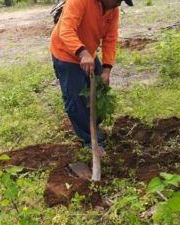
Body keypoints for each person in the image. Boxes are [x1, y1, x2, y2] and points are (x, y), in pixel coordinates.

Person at [50, 0, 133, 156]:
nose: (118, 4)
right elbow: (66, 30)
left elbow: (110, 38)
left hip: (88, 53)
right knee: (75, 100)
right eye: (117, 0)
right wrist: (82, 52)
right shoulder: (79, 1)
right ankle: (91, 141)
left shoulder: (113, 10)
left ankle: (93, 126)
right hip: (65, 52)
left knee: (100, 92)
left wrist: (107, 69)